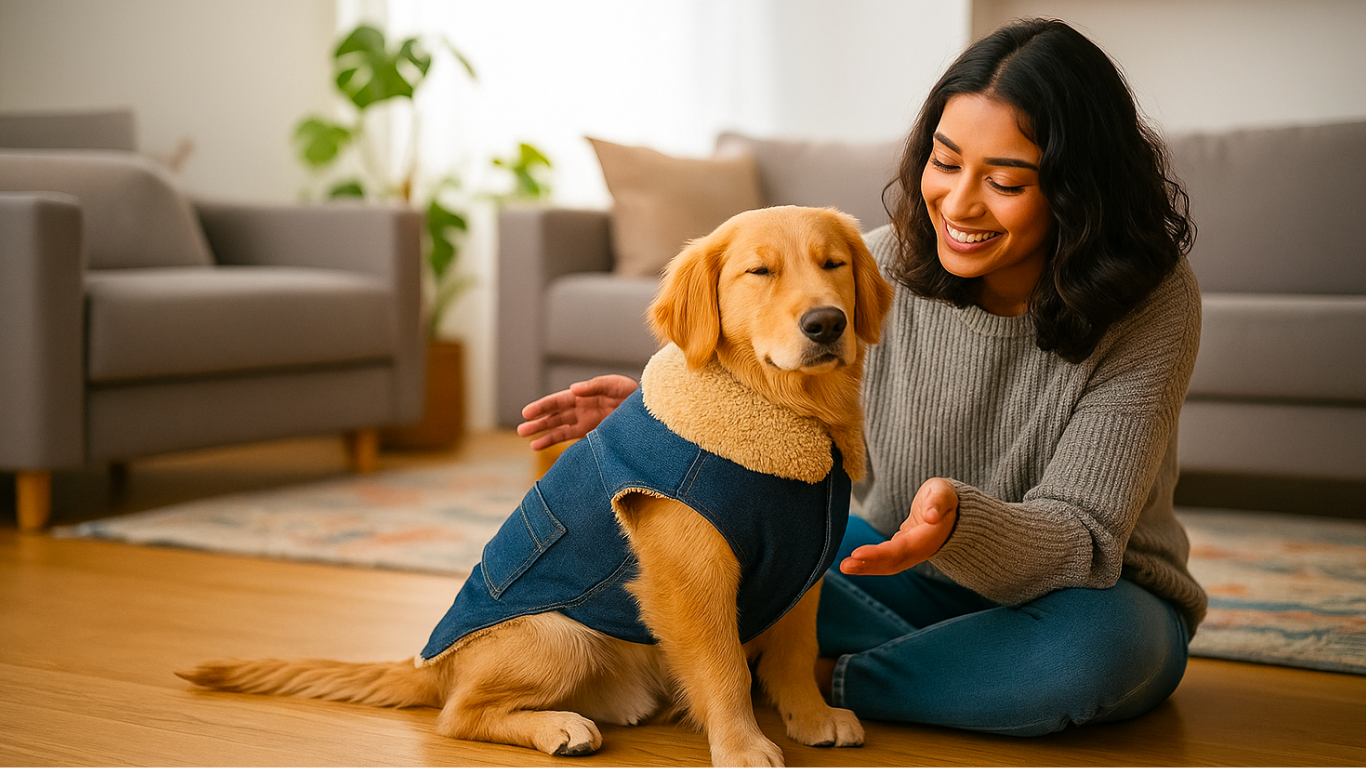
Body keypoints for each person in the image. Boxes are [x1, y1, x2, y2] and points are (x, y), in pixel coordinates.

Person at [517, 17, 1204, 737]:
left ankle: (819, 677)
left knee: (1105, 653)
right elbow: (767, 365)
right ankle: (937, 674)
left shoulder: (1150, 301)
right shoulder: (861, 266)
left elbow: (1083, 540)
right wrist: (676, 422)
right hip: (883, 565)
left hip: (1080, 594)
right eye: (945, 162)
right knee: (733, 540)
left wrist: (959, 527)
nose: (959, 205)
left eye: (1004, 181)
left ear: (1076, 190)